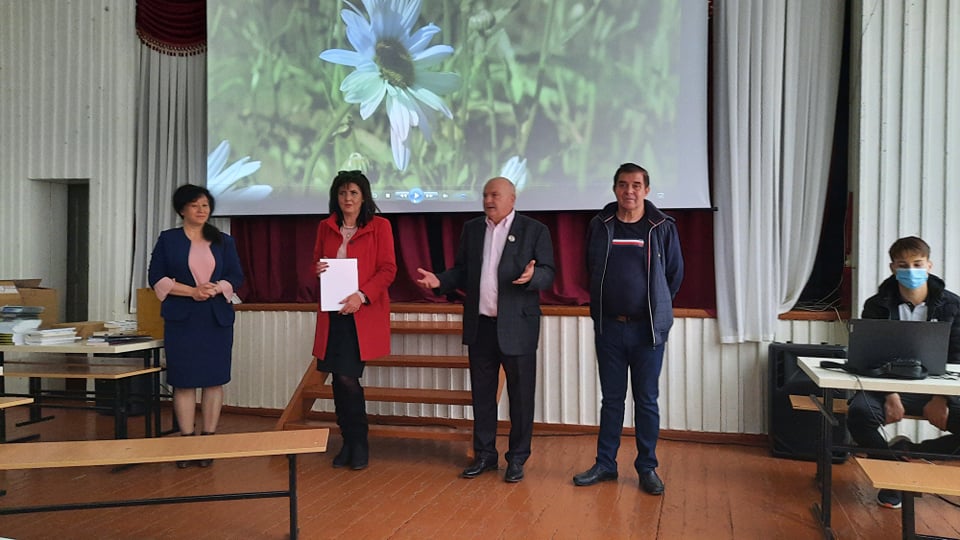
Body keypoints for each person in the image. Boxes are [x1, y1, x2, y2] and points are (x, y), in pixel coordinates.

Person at [415, 177, 555, 483]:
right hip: (481, 327)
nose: (488, 200)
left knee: (521, 398)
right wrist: (440, 281)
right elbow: (463, 271)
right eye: (485, 195)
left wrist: (533, 277)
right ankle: (485, 455)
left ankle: (517, 458)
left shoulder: (534, 230)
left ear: (512, 199)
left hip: (517, 327)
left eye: (495, 195)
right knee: (482, 396)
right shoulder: (473, 229)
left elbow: (548, 272)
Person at [573, 163, 684, 495]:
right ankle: (606, 464)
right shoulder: (600, 224)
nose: (629, 191)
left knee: (646, 400)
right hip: (609, 328)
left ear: (646, 190)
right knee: (612, 399)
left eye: (636, 185)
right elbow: (590, 266)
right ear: (615, 189)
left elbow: (674, 275)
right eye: (623, 185)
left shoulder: (662, 227)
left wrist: (655, 306)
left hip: (648, 331)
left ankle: (647, 467)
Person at [846, 236, 960, 509]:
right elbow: (872, 354)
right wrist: (890, 394)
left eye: (917, 264)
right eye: (903, 264)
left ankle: (912, 452)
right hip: (889, 387)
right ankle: (894, 475)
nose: (911, 270)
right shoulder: (876, 305)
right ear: (893, 268)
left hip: (938, 388)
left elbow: (957, 356)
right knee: (859, 414)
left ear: (929, 265)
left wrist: (942, 397)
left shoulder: (953, 305)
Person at [148, 184, 244, 468]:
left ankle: (208, 441)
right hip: (183, 318)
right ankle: (187, 442)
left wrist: (216, 288)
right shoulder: (168, 239)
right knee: (184, 380)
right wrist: (191, 291)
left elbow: (236, 276)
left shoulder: (224, 240)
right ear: (182, 210)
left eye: (205, 205)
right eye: (195, 205)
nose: (202, 210)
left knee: (214, 380)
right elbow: (156, 277)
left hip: (215, 318)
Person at [312, 170, 396, 470]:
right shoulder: (325, 227)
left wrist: (362, 295)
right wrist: (317, 269)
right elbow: (315, 262)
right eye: (342, 193)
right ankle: (348, 441)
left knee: (347, 378)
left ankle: (359, 442)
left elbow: (388, 269)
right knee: (338, 378)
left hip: (361, 312)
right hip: (333, 312)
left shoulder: (380, 226)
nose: (347, 198)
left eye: (353, 193)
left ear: (364, 197)